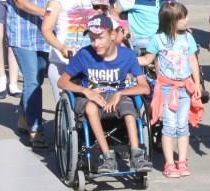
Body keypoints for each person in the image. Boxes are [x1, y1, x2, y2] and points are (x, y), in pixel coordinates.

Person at [58, 14, 152, 174]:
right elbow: (62, 82)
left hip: (117, 97)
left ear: (113, 35)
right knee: (90, 108)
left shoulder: (127, 56)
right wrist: (86, 91)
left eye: (100, 38)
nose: (96, 43)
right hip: (90, 98)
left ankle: (137, 155)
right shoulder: (84, 55)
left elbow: (145, 88)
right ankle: (107, 157)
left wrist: (120, 93)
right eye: (92, 39)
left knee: (128, 107)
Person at [1, 0, 57, 148]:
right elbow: (21, 2)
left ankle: (24, 116)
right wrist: (48, 12)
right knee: (32, 79)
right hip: (23, 34)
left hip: (46, 33)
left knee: (40, 76)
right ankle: (36, 129)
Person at [140, 1, 203, 178]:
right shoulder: (158, 39)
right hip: (167, 88)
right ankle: (169, 164)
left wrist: (197, 83)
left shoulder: (188, 38)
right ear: (171, 21)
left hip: (185, 88)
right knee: (169, 126)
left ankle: (182, 162)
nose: (187, 20)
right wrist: (127, 59)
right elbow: (147, 59)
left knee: (182, 126)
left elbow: (193, 60)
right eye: (183, 17)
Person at [40, 0, 95, 102]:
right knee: (68, 106)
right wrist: (62, 48)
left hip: (86, 60)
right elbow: (46, 29)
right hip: (63, 63)